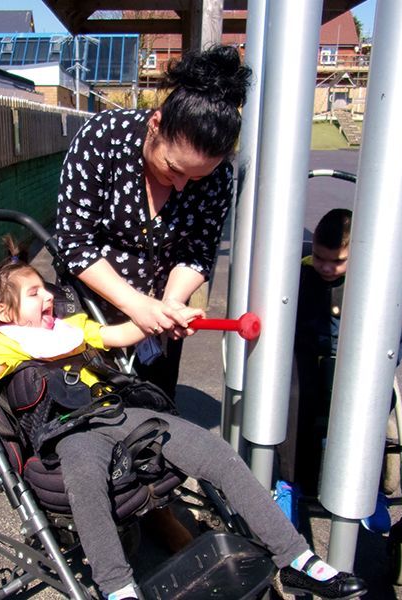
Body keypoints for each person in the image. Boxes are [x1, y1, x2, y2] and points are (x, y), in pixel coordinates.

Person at [0, 242, 367, 600]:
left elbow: (117, 334)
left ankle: (297, 561)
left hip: (119, 413)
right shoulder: (2, 348)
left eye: (46, 287)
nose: (49, 296)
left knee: (216, 452)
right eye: (35, 293)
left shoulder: (70, 329)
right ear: (6, 314)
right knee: (85, 481)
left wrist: (161, 319)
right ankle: (118, 586)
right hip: (69, 433)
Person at [56, 44, 251, 398]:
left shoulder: (219, 177)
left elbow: (197, 252)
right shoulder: (103, 139)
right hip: (86, 309)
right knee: (85, 408)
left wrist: (170, 305)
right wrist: (138, 305)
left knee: (153, 407)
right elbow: (75, 243)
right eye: (174, 169)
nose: (180, 186)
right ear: (155, 123)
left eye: (196, 179)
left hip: (158, 316)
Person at [275, 209, 402, 532]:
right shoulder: (302, 275)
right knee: (290, 393)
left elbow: (394, 343)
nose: (327, 267)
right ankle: (289, 483)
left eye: (338, 261)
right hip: (305, 361)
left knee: (371, 397)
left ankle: (368, 487)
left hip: (353, 362)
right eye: (319, 257)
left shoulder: (372, 285)